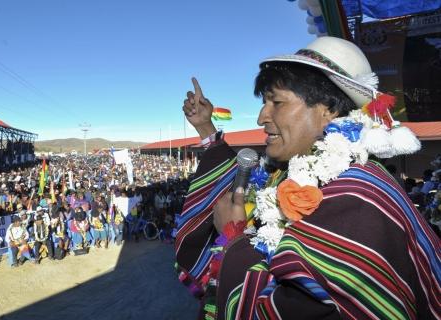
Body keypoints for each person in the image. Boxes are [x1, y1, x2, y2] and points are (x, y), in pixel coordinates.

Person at [176, 37, 440, 319]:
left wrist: (234, 238)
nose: (261, 117)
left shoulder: (357, 200)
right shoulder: (292, 172)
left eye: (276, 102)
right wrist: (205, 127)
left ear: (328, 110)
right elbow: (243, 189)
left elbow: (295, 308)